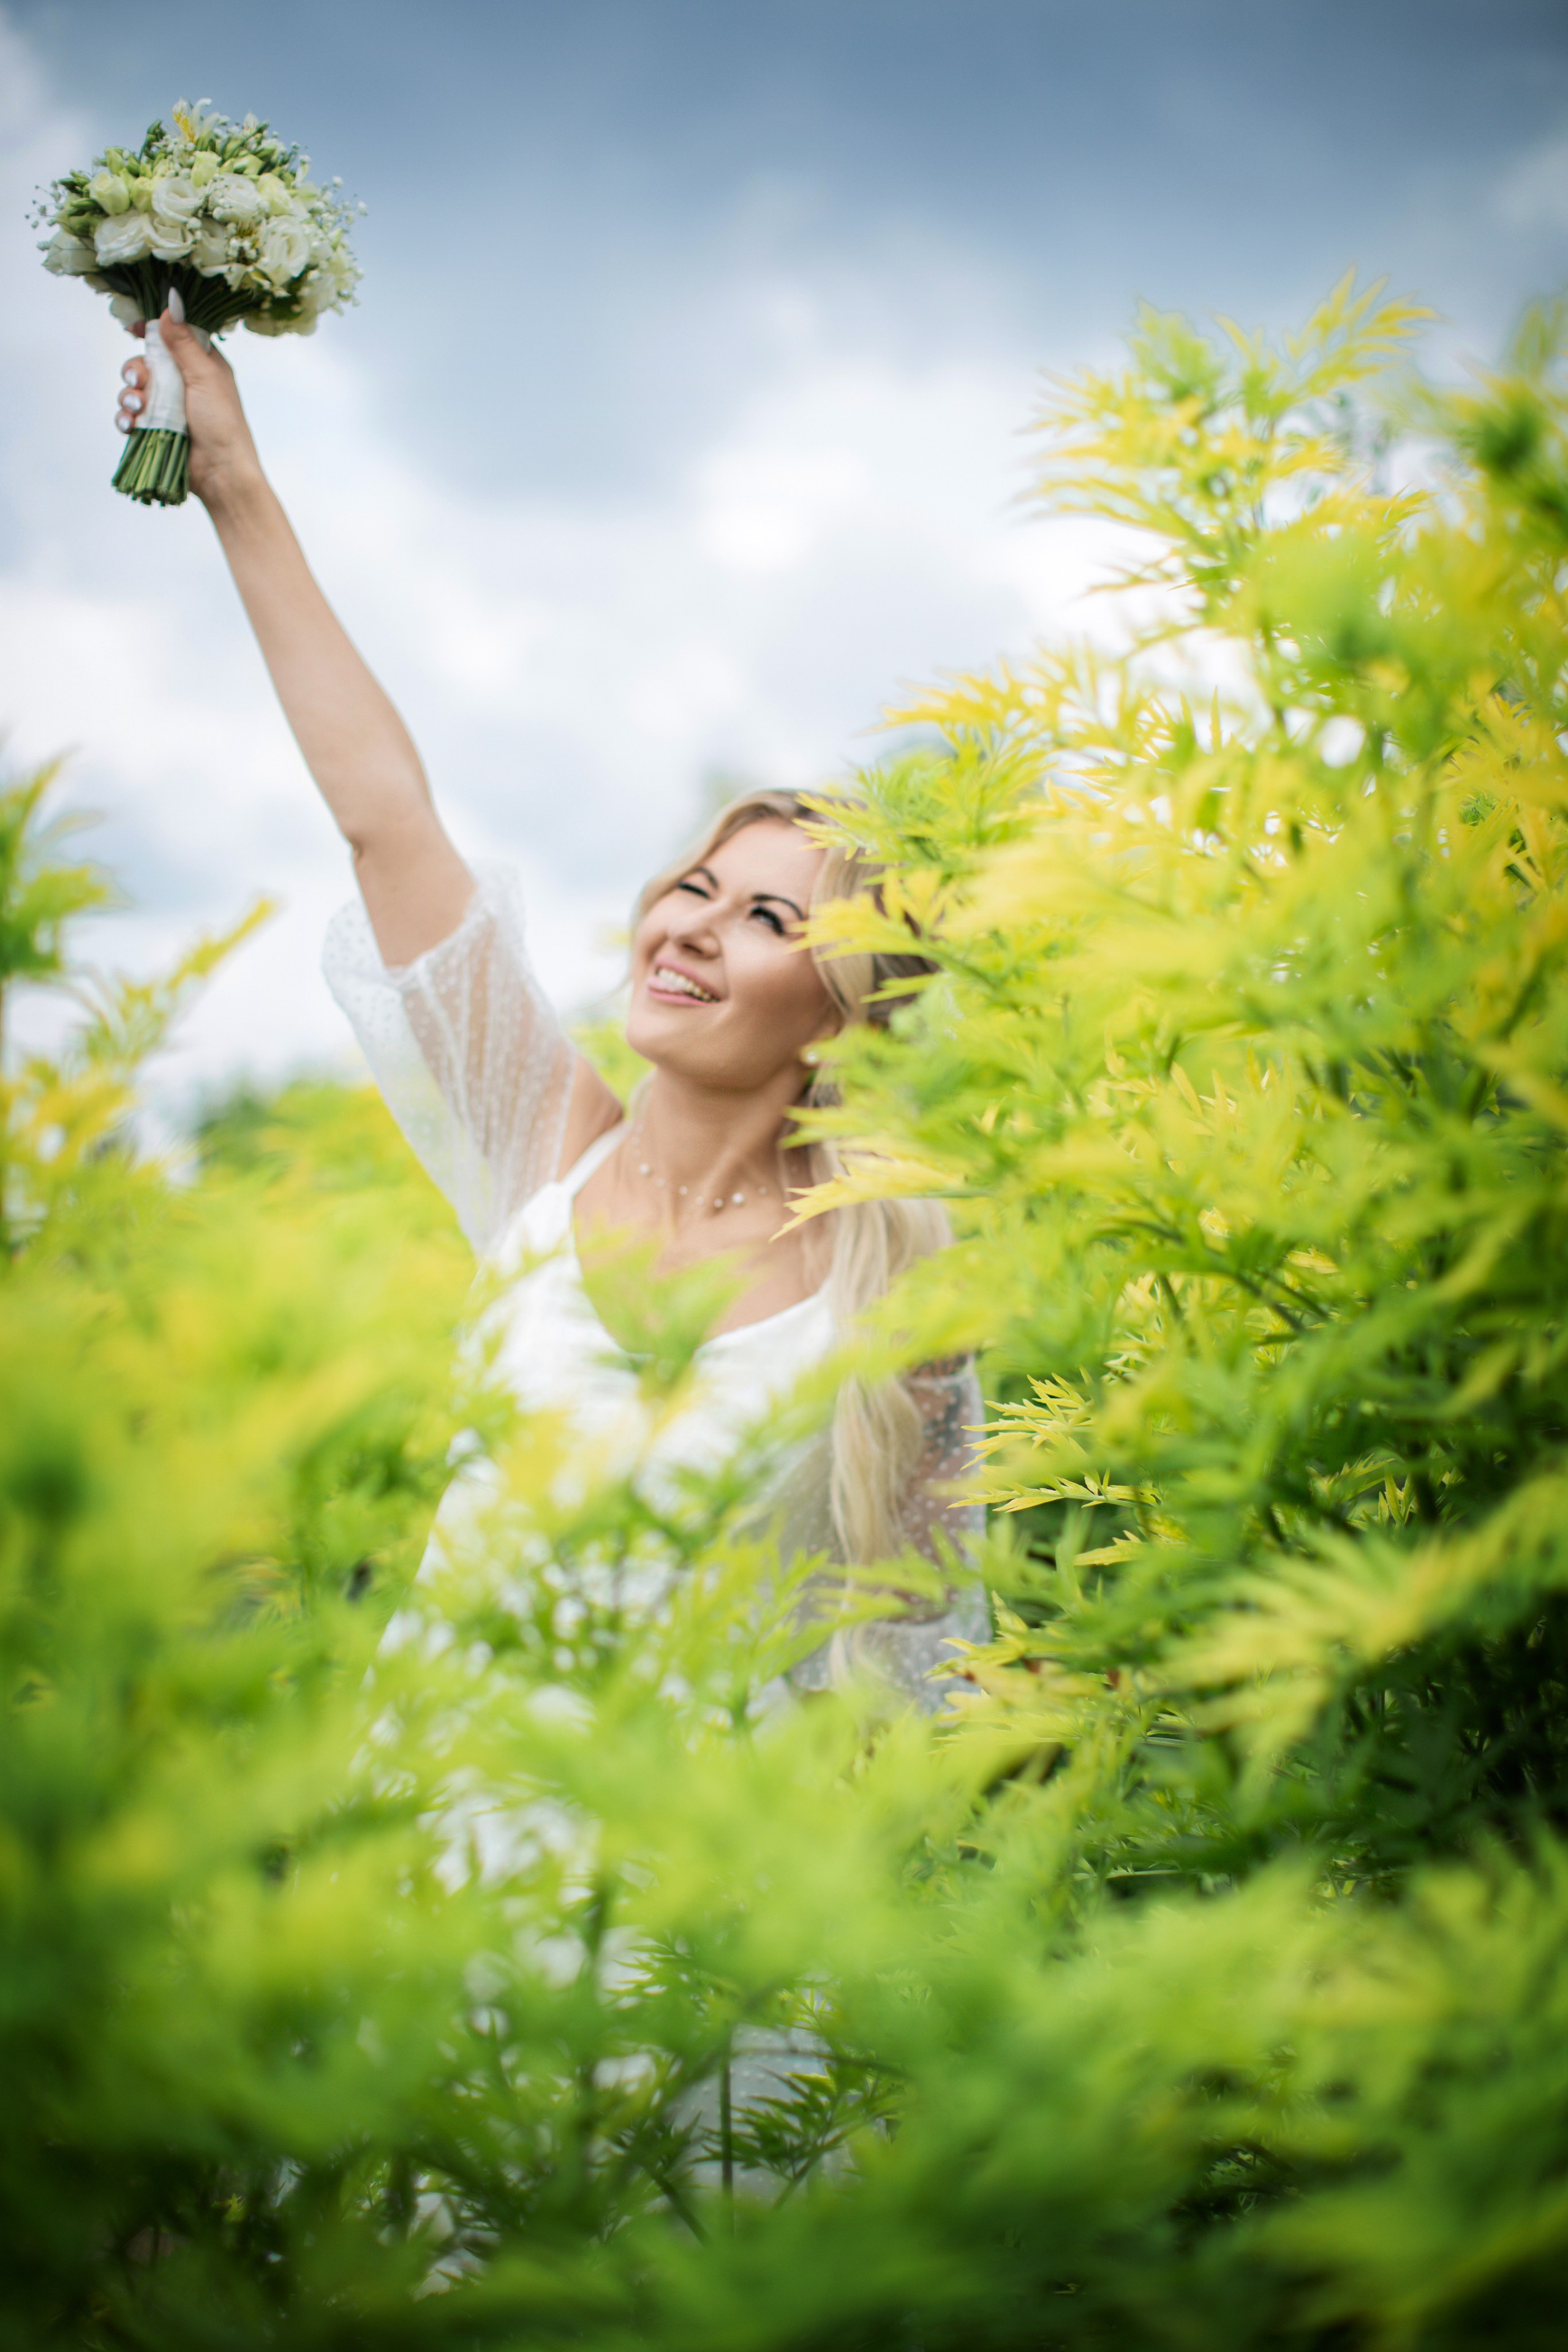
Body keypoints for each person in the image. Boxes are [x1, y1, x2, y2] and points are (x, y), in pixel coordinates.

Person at [115, 311, 987, 1708]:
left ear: (840, 1016)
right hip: (432, 1856)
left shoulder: (893, 1284)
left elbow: (929, 1670)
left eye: (764, 918)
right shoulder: (540, 1141)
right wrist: (233, 482)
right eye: (695, 884)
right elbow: (386, 824)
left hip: (704, 1909)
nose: (690, 924)